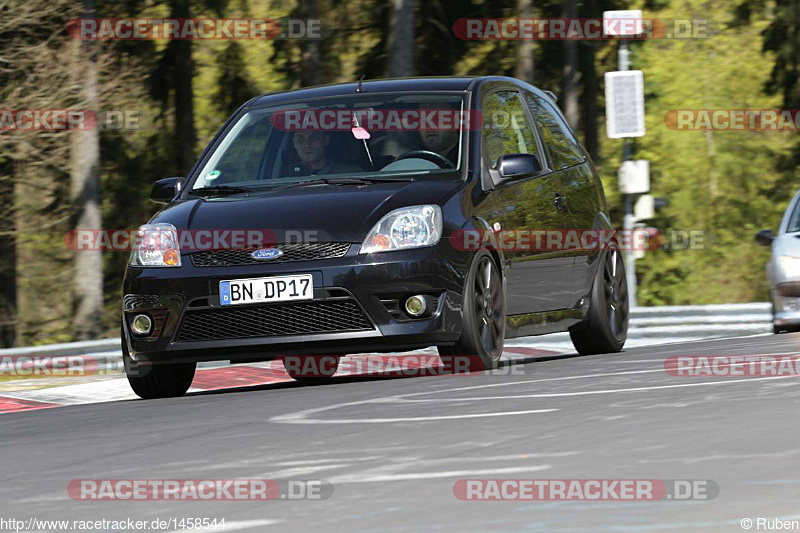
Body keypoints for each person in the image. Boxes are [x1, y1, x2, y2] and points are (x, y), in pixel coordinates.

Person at [289, 131, 362, 176]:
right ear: (294, 143)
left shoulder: (350, 174)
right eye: (301, 140)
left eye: (314, 138)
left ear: (326, 140)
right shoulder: (283, 179)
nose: (307, 145)